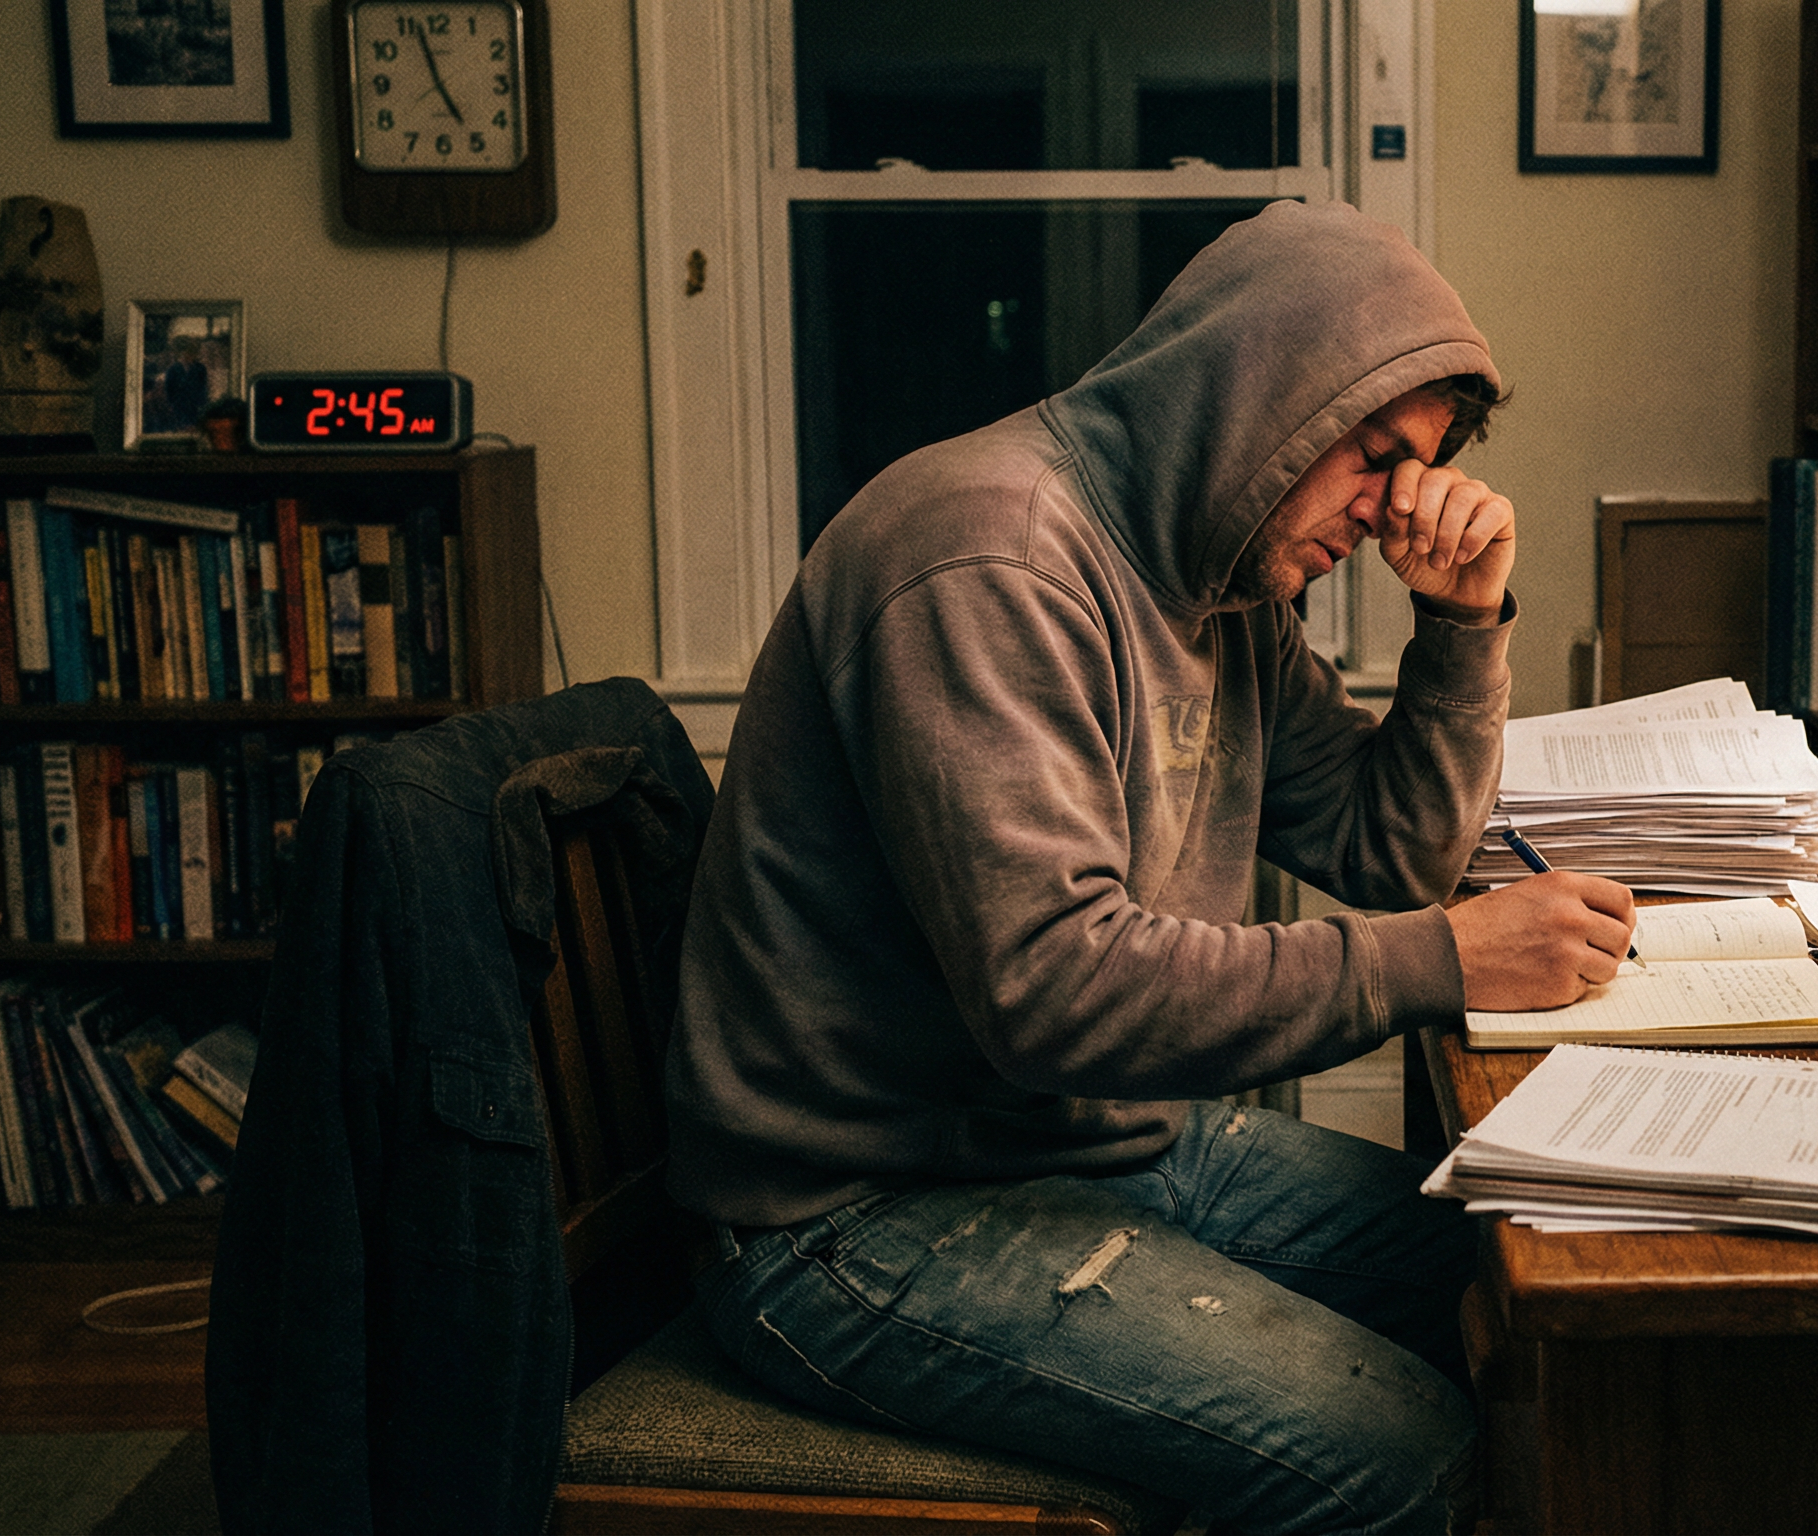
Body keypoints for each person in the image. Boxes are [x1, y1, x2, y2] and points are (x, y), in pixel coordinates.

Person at [662, 200, 1638, 1534]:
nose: (1391, 508)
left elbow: (1389, 851)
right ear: (1265, 392)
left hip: (1074, 1145)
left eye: (1416, 472)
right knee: (1395, 1451)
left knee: (1527, 1282)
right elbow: (1053, 993)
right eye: (1375, 454)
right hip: (851, 1215)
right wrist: (1449, 960)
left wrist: (1463, 627)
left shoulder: (1221, 586)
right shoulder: (986, 559)